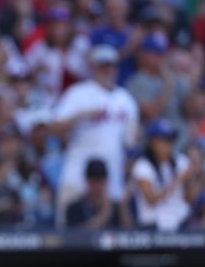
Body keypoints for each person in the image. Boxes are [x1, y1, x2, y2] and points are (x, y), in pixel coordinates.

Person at [51, 44, 139, 227]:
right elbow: (54, 128)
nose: (107, 70)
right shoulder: (78, 93)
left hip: (111, 181)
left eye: (110, 66)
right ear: (93, 68)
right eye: (102, 65)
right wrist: (82, 115)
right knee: (67, 239)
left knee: (111, 241)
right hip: (76, 178)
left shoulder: (126, 100)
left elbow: (132, 142)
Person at [131, 119, 193, 231]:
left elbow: (189, 198)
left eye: (171, 140)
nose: (168, 144)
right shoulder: (142, 166)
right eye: (164, 140)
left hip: (180, 221)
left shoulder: (181, 161)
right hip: (153, 224)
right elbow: (151, 200)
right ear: (152, 142)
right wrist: (177, 180)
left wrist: (189, 181)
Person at [66, 158, 131, 229]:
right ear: (87, 181)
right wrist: (104, 214)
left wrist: (123, 208)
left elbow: (131, 234)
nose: (97, 187)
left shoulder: (116, 207)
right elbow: (74, 235)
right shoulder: (74, 208)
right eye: (94, 182)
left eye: (101, 182)